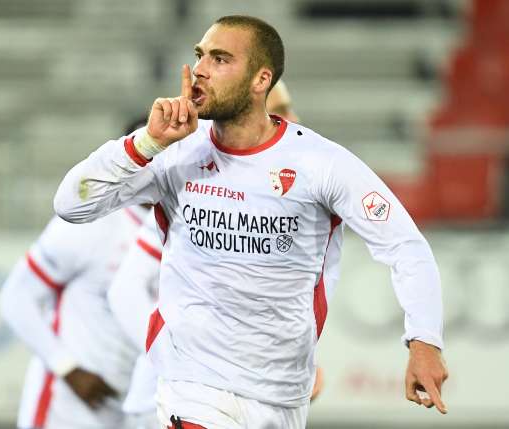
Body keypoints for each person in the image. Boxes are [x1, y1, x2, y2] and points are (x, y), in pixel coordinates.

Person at [54, 15, 448, 429]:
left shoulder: (320, 163)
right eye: (200, 56)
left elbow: (405, 245)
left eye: (220, 59)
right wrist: (145, 143)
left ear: (261, 80)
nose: (201, 69)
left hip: (282, 392)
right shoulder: (175, 153)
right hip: (193, 386)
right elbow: (71, 204)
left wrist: (425, 339)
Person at [107, 80, 323, 429]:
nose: (293, 118)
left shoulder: (281, 194)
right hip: (173, 402)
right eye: (280, 111)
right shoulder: (199, 189)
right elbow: (124, 291)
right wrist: (184, 357)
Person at [0, 119, 149, 429]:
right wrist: (68, 368)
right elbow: (16, 297)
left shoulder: (186, 226)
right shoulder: (96, 222)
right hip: (67, 407)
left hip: (133, 408)